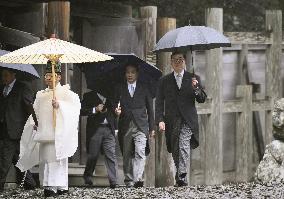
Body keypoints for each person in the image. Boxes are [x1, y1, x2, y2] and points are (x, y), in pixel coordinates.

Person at [16, 61, 81, 197]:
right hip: (44, 132)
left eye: (51, 76)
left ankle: (57, 185)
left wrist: (60, 106)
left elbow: (74, 109)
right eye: (46, 76)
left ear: (58, 77)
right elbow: (36, 112)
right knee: (46, 160)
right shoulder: (40, 95)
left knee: (57, 159)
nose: (48, 78)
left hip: (58, 133)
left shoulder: (66, 93)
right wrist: (34, 122)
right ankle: (50, 185)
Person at [155, 51, 207, 187]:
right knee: (175, 149)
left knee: (184, 144)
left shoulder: (194, 78)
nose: (178, 62)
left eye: (180, 59)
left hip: (188, 120)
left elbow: (202, 99)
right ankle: (180, 175)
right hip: (172, 120)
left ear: (185, 61)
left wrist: (196, 88)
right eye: (175, 60)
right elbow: (159, 102)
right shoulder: (164, 81)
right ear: (171, 63)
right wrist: (160, 119)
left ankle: (182, 176)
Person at [115, 63, 154, 188]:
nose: (130, 74)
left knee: (140, 151)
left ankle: (138, 178)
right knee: (126, 154)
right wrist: (117, 112)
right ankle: (128, 179)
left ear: (137, 74)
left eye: (132, 72)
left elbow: (150, 109)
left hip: (141, 125)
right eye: (127, 72)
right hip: (125, 124)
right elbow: (114, 106)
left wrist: (152, 127)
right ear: (125, 74)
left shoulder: (144, 88)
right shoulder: (120, 88)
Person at [0, 69, 36, 192]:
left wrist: (34, 123)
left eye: (6, 75)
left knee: (4, 158)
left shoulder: (22, 87)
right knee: (17, 158)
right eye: (2, 75)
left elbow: (29, 107)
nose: (3, 78)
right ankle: (30, 183)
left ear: (13, 74)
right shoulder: (2, 89)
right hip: (4, 129)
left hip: (18, 129)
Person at [81, 81, 117, 188]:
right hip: (95, 129)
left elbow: (114, 112)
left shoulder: (111, 96)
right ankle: (88, 176)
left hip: (109, 129)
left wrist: (116, 125)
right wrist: (95, 109)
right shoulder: (88, 96)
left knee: (111, 154)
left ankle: (113, 180)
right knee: (93, 155)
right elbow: (81, 111)